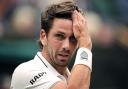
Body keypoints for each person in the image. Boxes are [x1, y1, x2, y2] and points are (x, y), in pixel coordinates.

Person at [10, 1, 92, 89]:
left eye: (73, 38)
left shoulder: (73, 79)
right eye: (59, 36)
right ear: (43, 37)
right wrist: (85, 44)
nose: (66, 46)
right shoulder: (26, 71)